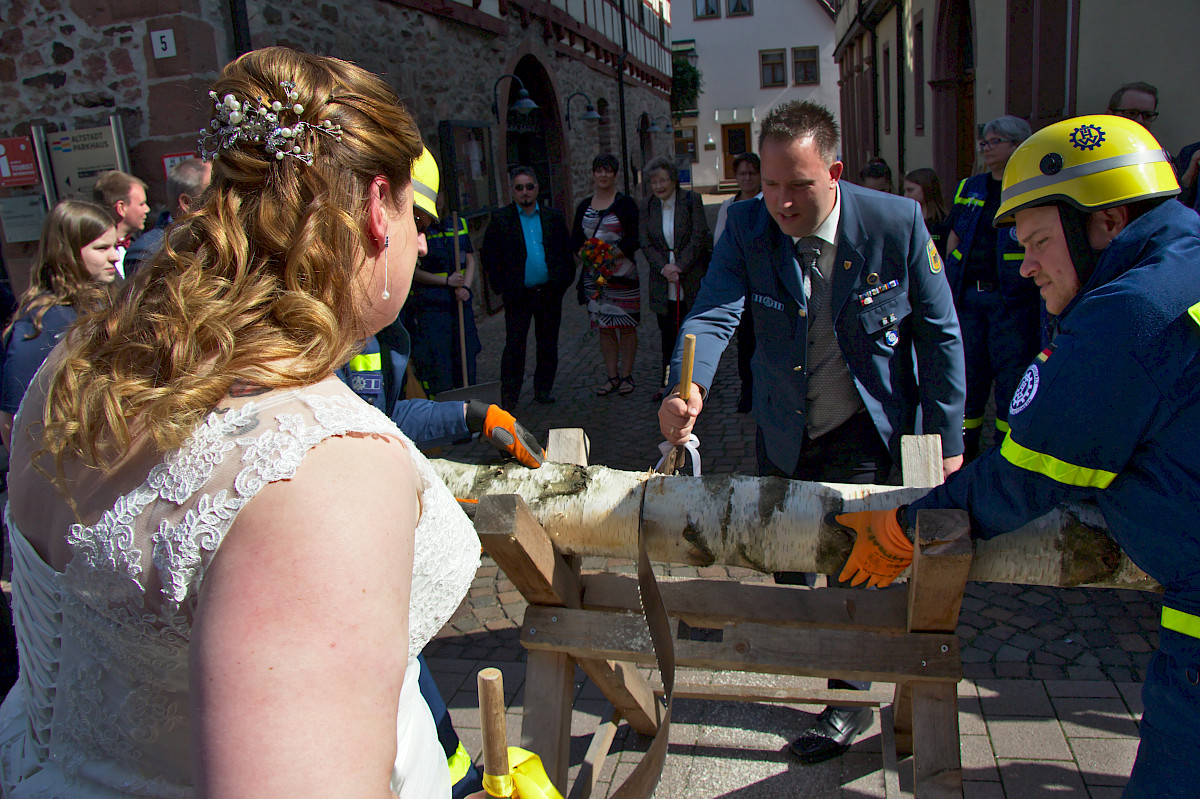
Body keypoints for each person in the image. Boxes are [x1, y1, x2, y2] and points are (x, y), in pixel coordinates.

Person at [0, 47, 482, 798]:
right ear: (373, 208)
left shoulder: (83, 360)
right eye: (415, 220)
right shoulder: (321, 467)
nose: (425, 244)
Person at [833, 113, 1198, 799]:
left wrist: (899, 529)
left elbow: (1027, 470)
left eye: (1036, 241)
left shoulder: (1131, 310)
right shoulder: (1186, 259)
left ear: (1108, 222)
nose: (1025, 265)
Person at [658, 99, 965, 765]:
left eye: (798, 185)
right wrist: (688, 387)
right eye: (769, 184)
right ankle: (813, 633)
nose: (782, 201)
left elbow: (940, 337)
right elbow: (712, 315)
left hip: (863, 423)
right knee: (789, 558)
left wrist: (947, 439)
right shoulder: (743, 224)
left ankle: (846, 701)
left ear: (834, 171)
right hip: (783, 424)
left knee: (851, 562)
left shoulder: (896, 223)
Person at [944, 115, 1041, 460]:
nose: (985, 147)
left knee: (1012, 379)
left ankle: (1004, 454)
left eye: (994, 141)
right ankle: (964, 454)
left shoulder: (1031, 186)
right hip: (970, 298)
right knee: (969, 378)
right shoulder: (970, 187)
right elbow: (954, 234)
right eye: (983, 141)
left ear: (1019, 146)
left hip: (1013, 302)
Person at [1, 199, 119, 451]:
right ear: (67, 254)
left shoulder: (107, 301)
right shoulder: (40, 325)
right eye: (101, 248)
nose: (115, 256)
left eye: (115, 246)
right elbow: (12, 422)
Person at [481, 166, 575, 407]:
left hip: (548, 293)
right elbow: (490, 256)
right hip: (519, 295)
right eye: (519, 188)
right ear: (512, 191)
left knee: (547, 344)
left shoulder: (552, 217)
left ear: (537, 189)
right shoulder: (502, 219)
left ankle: (543, 391)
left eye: (529, 187)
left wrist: (561, 283)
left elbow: (566, 252)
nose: (525, 192)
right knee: (515, 346)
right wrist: (502, 287)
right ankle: (509, 396)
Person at [641, 155, 712, 403]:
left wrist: (679, 266)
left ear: (673, 181)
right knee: (667, 334)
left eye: (663, 180)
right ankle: (668, 382)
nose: (658, 186)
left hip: (689, 276)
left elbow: (699, 236)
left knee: (692, 331)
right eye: (654, 182)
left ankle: (696, 383)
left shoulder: (691, 201)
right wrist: (664, 268)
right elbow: (646, 243)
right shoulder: (648, 205)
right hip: (663, 281)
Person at [572, 154, 641, 396]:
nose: (603, 175)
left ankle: (627, 375)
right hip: (596, 280)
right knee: (605, 327)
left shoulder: (625, 204)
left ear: (615, 174)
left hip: (623, 277)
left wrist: (611, 253)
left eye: (608, 171)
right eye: (598, 170)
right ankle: (611, 376)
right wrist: (588, 254)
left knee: (627, 325)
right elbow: (576, 239)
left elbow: (635, 237)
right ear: (593, 174)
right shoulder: (584, 206)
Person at [404, 190, 481, 395]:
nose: (437, 200)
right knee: (440, 362)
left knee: (466, 357)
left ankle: (468, 405)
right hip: (433, 306)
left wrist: (466, 286)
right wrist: (446, 281)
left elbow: (471, 258)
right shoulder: (419, 228)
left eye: (439, 195)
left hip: (460, 302)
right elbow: (413, 271)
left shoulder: (457, 224)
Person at [715, 152, 762, 413]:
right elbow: (721, 243)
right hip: (741, 284)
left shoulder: (767, 202)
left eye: (752, 173)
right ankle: (748, 390)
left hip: (764, 283)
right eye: (742, 173)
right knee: (745, 342)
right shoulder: (728, 206)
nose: (746, 178)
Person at [123, 158, 212, 277]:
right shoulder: (147, 253)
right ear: (187, 202)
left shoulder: (222, 238)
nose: (224, 201)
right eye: (213, 195)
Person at [91, 169, 150, 277]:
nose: (147, 209)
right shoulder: (94, 258)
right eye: (141, 204)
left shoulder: (141, 249)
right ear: (121, 208)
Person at [903, 167, 949, 257]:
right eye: (905, 191)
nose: (905, 195)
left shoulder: (944, 222)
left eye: (910, 190)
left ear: (927, 189)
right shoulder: (905, 220)